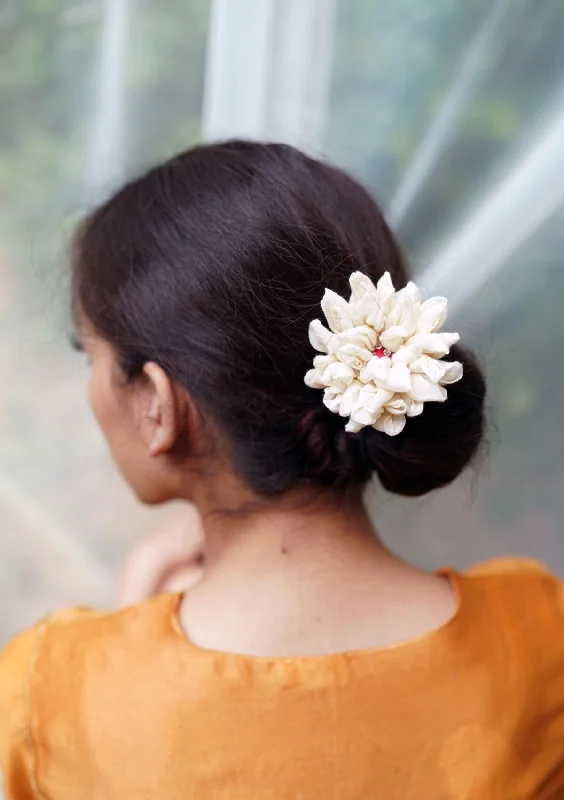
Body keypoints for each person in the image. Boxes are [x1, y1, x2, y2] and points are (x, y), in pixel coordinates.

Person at [1, 141, 563, 799]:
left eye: (86, 351)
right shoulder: (542, 636)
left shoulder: (48, 696)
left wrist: (119, 661)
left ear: (157, 402)